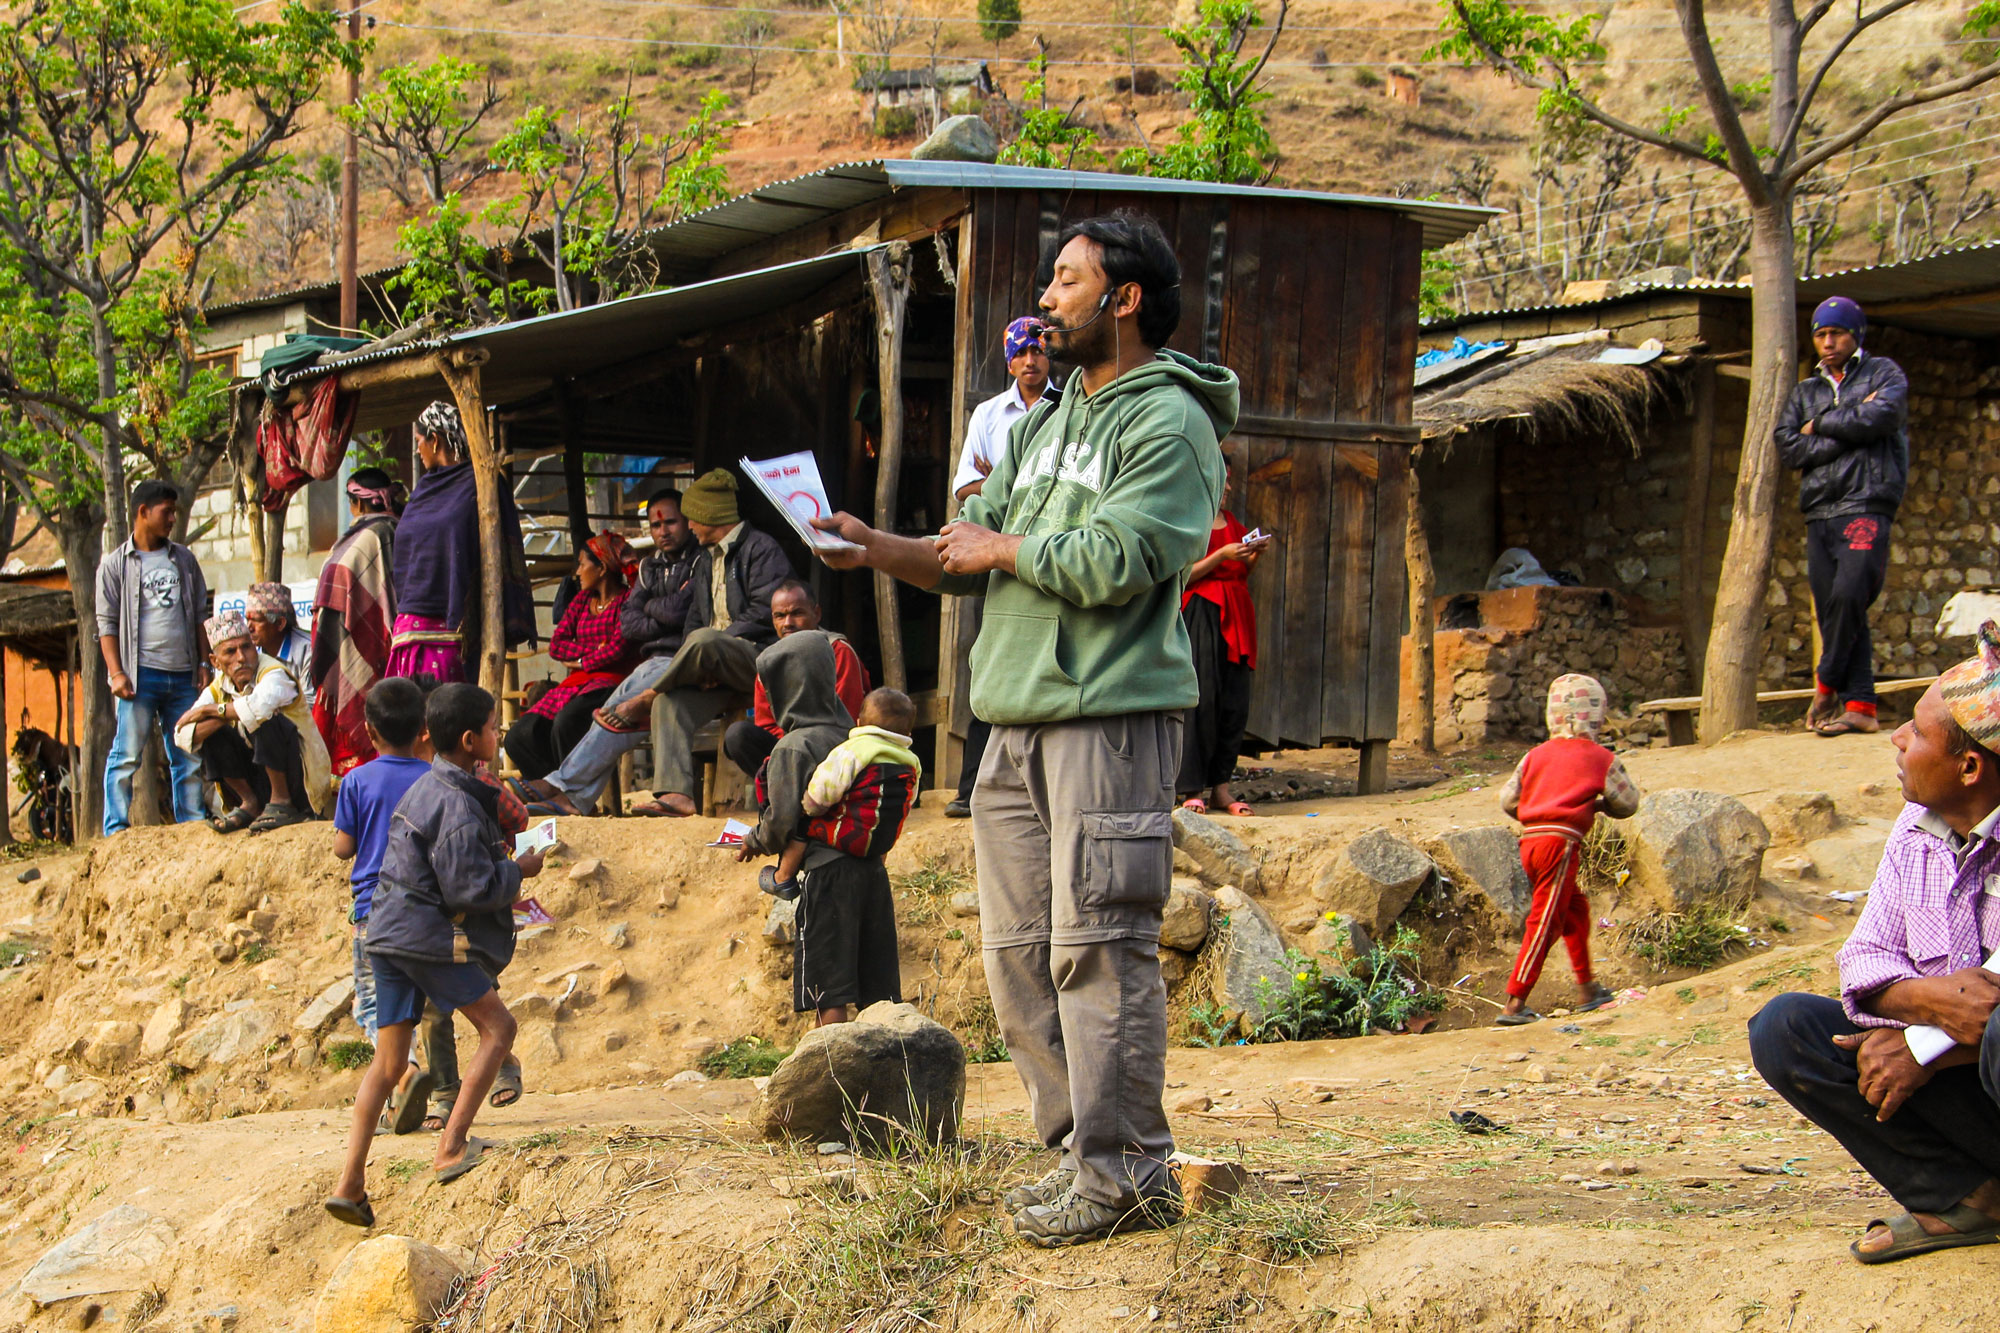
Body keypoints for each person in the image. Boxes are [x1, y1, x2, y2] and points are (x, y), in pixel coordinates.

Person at [813, 210, 1235, 1246]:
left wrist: (1002, 550)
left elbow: (1123, 556)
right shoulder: (1043, 424)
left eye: (1065, 280)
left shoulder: (1167, 423)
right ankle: (1073, 1152)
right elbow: (966, 548)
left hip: (1106, 714)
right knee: (1018, 951)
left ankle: (1126, 1164)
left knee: (1098, 942)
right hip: (1009, 721)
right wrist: (875, 549)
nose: (1045, 301)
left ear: (1123, 299)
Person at [1750, 624, 2000, 1264]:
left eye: (1916, 732)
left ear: (1968, 767)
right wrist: (1930, 1005)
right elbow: (1864, 960)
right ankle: (1972, 1198)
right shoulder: (1916, 828)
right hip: (1969, 1083)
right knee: (1786, 1028)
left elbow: (1989, 1012)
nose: (1896, 739)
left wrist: (1923, 1047)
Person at [326, 683, 539, 1226]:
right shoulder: (458, 805)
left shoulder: (427, 788)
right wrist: (520, 872)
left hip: (384, 932)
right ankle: (452, 1146)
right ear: (472, 741)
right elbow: (468, 888)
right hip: (426, 937)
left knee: (389, 1061)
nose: (499, 734)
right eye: (494, 727)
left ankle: (350, 1183)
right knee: (499, 1029)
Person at [522, 468, 791, 817]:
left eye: (692, 519)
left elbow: (761, 614)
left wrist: (708, 649)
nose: (690, 527)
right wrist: (697, 661)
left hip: (754, 660)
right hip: (711, 666)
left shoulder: (761, 549)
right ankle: (673, 795)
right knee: (669, 703)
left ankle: (634, 708)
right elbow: (688, 618)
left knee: (701, 643)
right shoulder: (707, 560)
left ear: (712, 515)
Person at [1775, 296, 1909, 738]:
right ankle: (1862, 707)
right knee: (1836, 607)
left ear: (1856, 335)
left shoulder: (1883, 374)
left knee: (1851, 594)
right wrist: (1850, 426)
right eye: (1820, 334)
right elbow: (1789, 445)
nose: (1828, 342)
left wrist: (1822, 425)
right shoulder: (1804, 391)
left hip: (1867, 501)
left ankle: (1827, 683)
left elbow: (1883, 415)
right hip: (1820, 510)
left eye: (1837, 333)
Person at [945, 317, 1059, 820]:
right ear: (1009, 362)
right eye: (1021, 354)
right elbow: (965, 487)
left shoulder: (1067, 410)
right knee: (988, 660)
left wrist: (999, 485)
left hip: (1048, 550)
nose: (1030, 361)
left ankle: (1038, 791)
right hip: (992, 548)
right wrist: (1006, 490)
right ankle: (972, 789)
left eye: (1038, 351)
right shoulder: (990, 414)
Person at [764, 686, 919, 1029]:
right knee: (877, 984)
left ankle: (830, 1066)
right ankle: (881, 1061)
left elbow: (821, 792)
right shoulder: (910, 763)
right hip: (875, 872)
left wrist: (808, 808)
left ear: (860, 720)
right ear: (908, 732)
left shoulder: (853, 749)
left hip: (831, 870)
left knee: (829, 985)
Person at [1493, 674, 1638, 1025]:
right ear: (1598, 715)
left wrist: (1535, 810)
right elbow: (1628, 802)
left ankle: (1587, 987)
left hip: (1530, 841)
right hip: (1561, 845)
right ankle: (1515, 1001)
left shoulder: (1534, 756)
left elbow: (1507, 799)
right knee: (1544, 923)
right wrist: (1598, 806)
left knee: (1575, 908)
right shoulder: (1600, 757)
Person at [330, 677, 436, 1130]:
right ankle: (403, 1082)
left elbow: (343, 847)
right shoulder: (434, 779)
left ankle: (404, 1070)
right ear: (422, 730)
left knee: (373, 1004)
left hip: (374, 908)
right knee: (413, 1000)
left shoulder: (356, 780)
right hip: (426, 906)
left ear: (369, 731)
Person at [387, 401, 535, 685]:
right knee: (406, 719)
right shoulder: (422, 492)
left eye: (419, 441)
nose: (417, 450)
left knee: (448, 716)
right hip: (410, 626)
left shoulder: (481, 483)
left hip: (454, 627)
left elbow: (499, 543)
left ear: (435, 439)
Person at [97, 479, 210, 836]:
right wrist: (116, 673)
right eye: (167, 511)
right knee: (126, 755)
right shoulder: (115, 565)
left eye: (174, 511)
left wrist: (204, 663)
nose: (173, 518)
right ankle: (115, 830)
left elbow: (199, 617)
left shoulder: (184, 560)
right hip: (139, 676)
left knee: (187, 754)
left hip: (182, 676)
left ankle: (191, 826)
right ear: (143, 512)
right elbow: (107, 624)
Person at [172, 612, 333, 832]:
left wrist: (213, 711)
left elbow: (258, 709)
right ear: (215, 662)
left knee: (263, 719)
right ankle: (250, 803)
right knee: (214, 734)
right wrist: (223, 717)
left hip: (300, 779)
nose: (241, 657)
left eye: (247, 647)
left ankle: (281, 802)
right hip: (259, 779)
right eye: (231, 651)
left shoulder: (274, 672)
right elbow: (182, 735)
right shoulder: (219, 686)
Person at [504, 532, 640, 781]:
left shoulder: (628, 601)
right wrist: (595, 651)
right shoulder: (581, 600)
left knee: (565, 723)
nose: (577, 571)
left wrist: (582, 661)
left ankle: (569, 793)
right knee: (518, 736)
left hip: (611, 684)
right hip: (575, 685)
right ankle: (549, 787)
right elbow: (557, 645)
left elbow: (619, 649)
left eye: (582, 564)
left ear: (601, 568)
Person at [1177, 460, 1262, 816]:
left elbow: (1241, 572)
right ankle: (1191, 788)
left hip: (1237, 614)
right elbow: (1183, 573)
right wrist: (1221, 555)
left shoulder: (1234, 523)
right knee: (1202, 699)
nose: (1227, 487)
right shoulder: (1189, 522)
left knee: (1234, 700)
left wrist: (1249, 556)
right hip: (1202, 611)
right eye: (1222, 480)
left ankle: (1222, 789)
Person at [722, 580, 869, 783]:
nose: (787, 623)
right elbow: (766, 724)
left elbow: (847, 721)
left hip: (834, 750)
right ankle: (783, 795)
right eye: (779, 616)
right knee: (737, 735)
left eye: (797, 613)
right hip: (788, 751)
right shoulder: (769, 661)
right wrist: (790, 750)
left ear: (816, 614)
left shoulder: (838, 651)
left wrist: (802, 745)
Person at [312, 468, 404, 776]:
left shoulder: (374, 536)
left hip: (364, 645)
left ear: (356, 504)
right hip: (370, 641)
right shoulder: (388, 532)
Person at [246, 582, 313, 702]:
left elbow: (309, 704)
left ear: (280, 623)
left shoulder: (308, 650)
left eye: (257, 620)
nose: (249, 628)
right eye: (247, 619)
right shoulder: (249, 652)